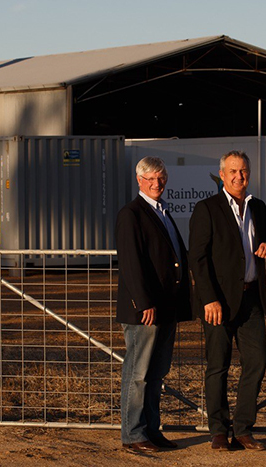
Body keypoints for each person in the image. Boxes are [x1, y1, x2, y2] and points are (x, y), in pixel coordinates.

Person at [188, 150, 266, 451]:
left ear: (249, 174)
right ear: (222, 175)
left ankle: (243, 429)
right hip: (218, 304)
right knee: (218, 366)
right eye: (232, 171)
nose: (239, 176)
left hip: (251, 299)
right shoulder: (207, 208)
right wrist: (209, 300)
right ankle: (218, 430)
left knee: (257, 362)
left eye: (243, 171)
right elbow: (198, 258)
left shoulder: (258, 207)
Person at [116, 157, 192, 453]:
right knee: (137, 374)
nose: (157, 184)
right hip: (145, 311)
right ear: (139, 180)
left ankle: (151, 430)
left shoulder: (162, 212)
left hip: (166, 308)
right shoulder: (131, 214)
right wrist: (143, 302)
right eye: (150, 179)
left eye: (161, 178)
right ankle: (133, 434)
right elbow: (131, 263)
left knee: (156, 373)